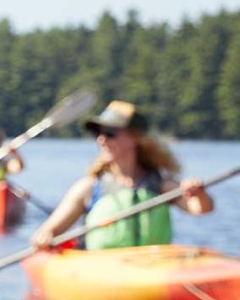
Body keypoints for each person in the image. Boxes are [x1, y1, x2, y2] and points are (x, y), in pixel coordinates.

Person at [29, 101, 213, 250]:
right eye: (98, 133)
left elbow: (201, 209)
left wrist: (199, 194)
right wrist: (44, 238)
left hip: (151, 266)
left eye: (110, 133)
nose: (102, 140)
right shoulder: (89, 187)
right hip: (103, 271)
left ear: (135, 138)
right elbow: (49, 231)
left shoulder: (161, 185)